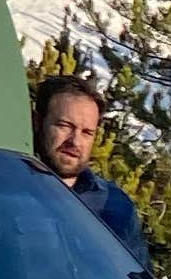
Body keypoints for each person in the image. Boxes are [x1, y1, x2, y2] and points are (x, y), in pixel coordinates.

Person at [33, 70, 142, 251]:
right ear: (37, 122)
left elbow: (135, 269)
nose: (75, 141)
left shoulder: (115, 206)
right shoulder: (3, 189)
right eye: (65, 126)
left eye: (86, 133)